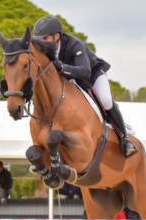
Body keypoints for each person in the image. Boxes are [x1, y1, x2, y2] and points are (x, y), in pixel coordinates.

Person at [33, 15, 137, 157]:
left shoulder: (75, 45)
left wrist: (61, 67)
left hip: (93, 75)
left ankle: (124, 138)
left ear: (56, 36)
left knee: (106, 100)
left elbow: (85, 71)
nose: (41, 42)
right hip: (71, 79)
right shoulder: (42, 51)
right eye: (38, 39)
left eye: (45, 38)